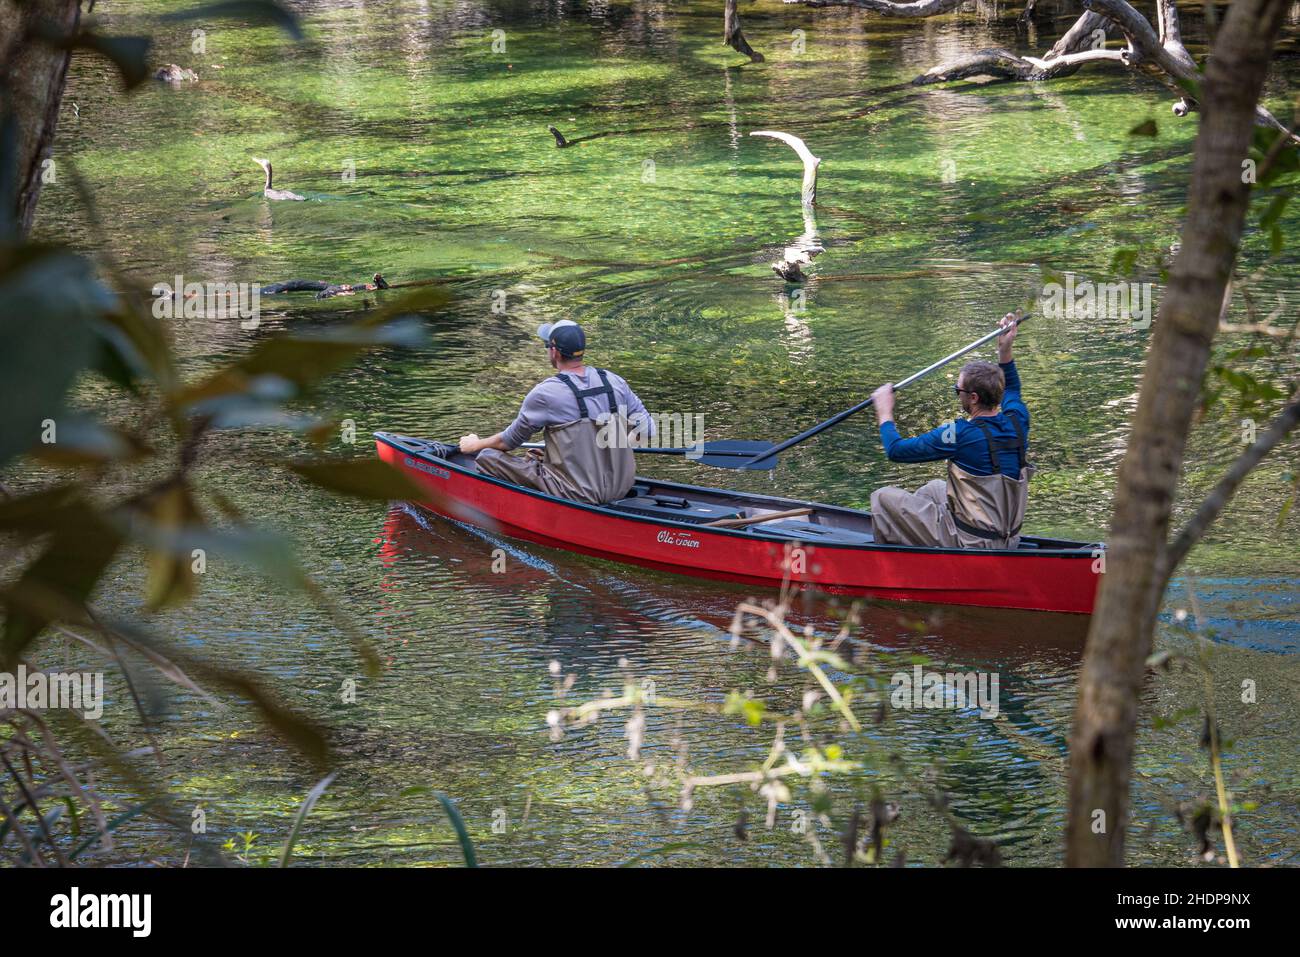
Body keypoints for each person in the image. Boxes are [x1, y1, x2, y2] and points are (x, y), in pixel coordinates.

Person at [868, 313, 1031, 548]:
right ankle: (919, 547)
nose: (958, 394)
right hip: (1007, 536)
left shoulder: (958, 434)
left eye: (959, 390)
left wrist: (884, 412)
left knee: (883, 498)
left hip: (973, 541)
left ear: (973, 398)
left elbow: (896, 450)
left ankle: (900, 563)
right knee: (933, 489)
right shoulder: (1018, 420)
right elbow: (1013, 388)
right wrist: (1005, 351)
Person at [458, 320, 655, 505]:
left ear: (554, 352)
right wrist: (613, 450)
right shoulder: (615, 382)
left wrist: (475, 444)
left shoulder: (545, 393)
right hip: (620, 488)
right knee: (537, 454)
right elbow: (648, 430)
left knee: (487, 457)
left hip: (576, 493)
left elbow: (508, 442)